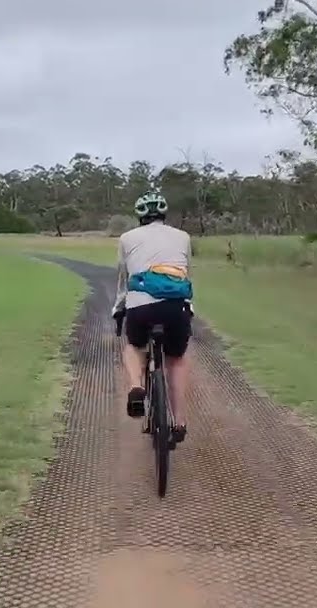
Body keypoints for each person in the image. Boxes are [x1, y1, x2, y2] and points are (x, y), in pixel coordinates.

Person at [112, 190, 194, 445]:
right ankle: (179, 422)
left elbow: (123, 278)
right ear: (164, 214)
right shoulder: (183, 236)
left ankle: (137, 386)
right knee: (176, 360)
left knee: (134, 347)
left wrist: (118, 309)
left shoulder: (127, 238)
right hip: (176, 306)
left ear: (139, 217)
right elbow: (184, 272)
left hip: (140, 306)